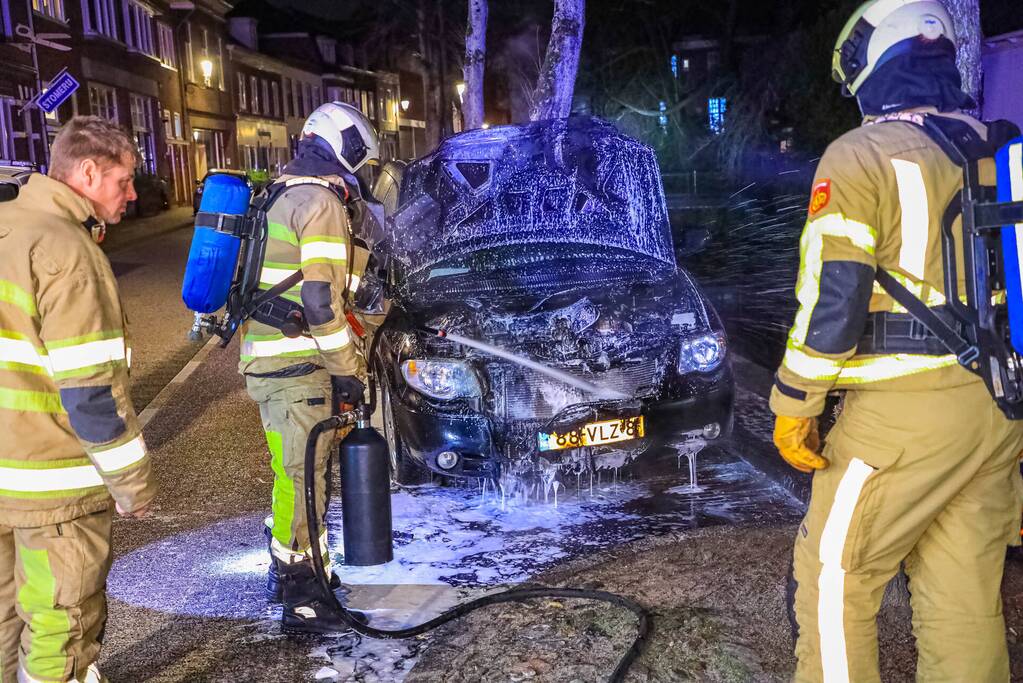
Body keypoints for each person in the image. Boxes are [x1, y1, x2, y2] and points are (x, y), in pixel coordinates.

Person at [770, 1, 1023, 681]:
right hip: (995, 412)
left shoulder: (862, 153)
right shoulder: (1003, 148)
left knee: (832, 575)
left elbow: (833, 297)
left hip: (898, 422)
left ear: (873, 64)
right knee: (964, 594)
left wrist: (795, 402)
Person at [0, 116, 156, 683]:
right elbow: (91, 393)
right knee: (59, 629)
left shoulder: (6, 225)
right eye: (124, 180)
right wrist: (132, 485)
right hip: (52, 486)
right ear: (88, 172)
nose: (133, 194)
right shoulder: (68, 252)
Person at [241, 102, 377, 634]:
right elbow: (321, 300)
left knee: (291, 473)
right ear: (343, 145)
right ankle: (304, 597)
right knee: (305, 479)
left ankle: (293, 567)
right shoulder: (320, 201)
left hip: (268, 364)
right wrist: (347, 368)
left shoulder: (279, 191)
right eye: (360, 156)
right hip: (299, 367)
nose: (360, 169)